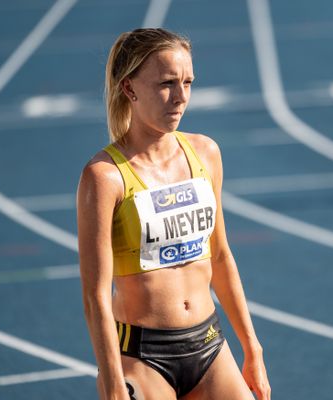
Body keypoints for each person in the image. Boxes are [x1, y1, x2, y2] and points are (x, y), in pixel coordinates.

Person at [76, 28, 270, 400]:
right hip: (142, 355)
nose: (180, 97)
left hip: (209, 343)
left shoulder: (205, 153)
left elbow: (220, 256)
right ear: (129, 88)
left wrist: (252, 348)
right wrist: (115, 383)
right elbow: (94, 295)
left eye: (188, 82)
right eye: (166, 83)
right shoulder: (104, 176)